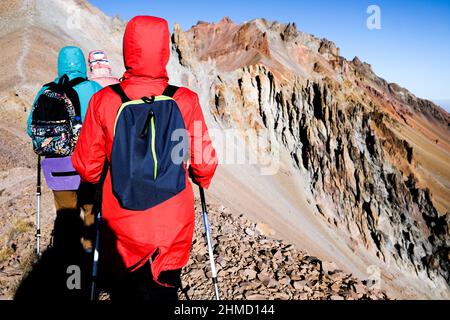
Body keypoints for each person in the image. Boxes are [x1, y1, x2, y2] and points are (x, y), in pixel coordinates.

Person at [72, 16, 218, 301]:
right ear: (165, 50)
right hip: (173, 224)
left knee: (126, 294)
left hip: (123, 224)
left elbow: (88, 169)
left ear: (128, 48)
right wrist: (200, 177)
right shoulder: (185, 100)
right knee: (166, 289)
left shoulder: (104, 101)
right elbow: (205, 163)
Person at [27, 46, 103, 253]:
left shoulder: (46, 90)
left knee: (66, 213)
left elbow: (30, 128)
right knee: (90, 208)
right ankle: (89, 254)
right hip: (88, 164)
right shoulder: (94, 88)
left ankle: (69, 258)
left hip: (57, 165)